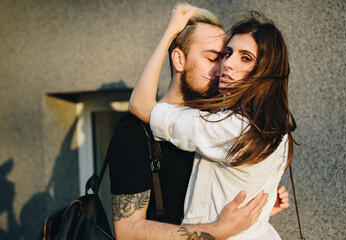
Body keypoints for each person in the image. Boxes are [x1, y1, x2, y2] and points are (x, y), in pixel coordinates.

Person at [109, 4, 289, 239]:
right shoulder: (135, 131)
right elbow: (128, 233)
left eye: (230, 56)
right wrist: (217, 230)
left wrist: (257, 207)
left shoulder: (222, 123)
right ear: (179, 59)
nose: (224, 66)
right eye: (217, 56)